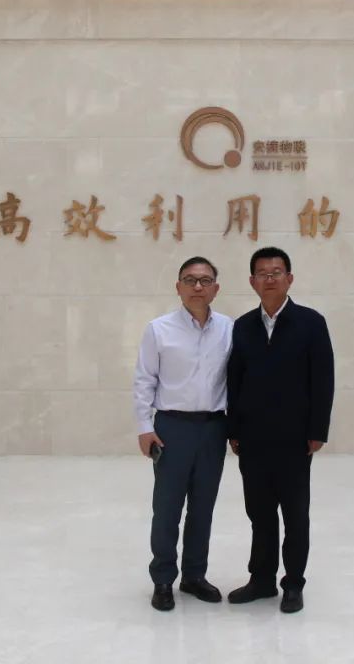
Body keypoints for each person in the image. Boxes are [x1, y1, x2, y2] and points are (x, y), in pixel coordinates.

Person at [226, 247, 335, 613]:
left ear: (289, 279)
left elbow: (323, 380)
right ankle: (261, 580)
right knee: (259, 514)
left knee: (295, 515)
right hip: (253, 438)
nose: (269, 278)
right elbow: (234, 380)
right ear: (252, 281)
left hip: (294, 438)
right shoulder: (243, 326)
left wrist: (317, 430)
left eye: (276, 272)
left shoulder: (311, 323)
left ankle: (293, 584)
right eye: (262, 273)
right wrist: (233, 429)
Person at [133, 256, 233, 612]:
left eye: (205, 280)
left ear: (216, 288)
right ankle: (163, 579)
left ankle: (194, 576)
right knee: (167, 508)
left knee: (203, 508)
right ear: (178, 287)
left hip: (213, 427)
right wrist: (145, 427)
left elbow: (236, 380)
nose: (197, 286)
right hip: (171, 428)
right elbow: (144, 380)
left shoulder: (229, 329)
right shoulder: (158, 329)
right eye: (189, 280)